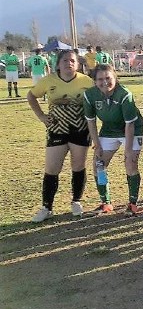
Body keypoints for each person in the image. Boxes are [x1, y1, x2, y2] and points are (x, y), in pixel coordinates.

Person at [27, 49, 93, 222]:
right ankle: (47, 207)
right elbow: (31, 95)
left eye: (72, 60)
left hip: (80, 129)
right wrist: (41, 116)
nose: (68, 63)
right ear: (58, 63)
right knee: (52, 169)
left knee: (78, 166)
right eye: (65, 60)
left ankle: (76, 201)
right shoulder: (48, 81)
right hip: (57, 130)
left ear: (77, 64)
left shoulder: (87, 81)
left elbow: (98, 98)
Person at [84, 64, 143, 216]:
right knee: (99, 164)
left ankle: (133, 203)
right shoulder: (89, 95)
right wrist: (97, 144)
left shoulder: (124, 94)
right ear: (94, 81)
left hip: (132, 130)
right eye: (100, 79)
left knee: (130, 163)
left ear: (115, 78)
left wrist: (128, 149)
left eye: (108, 78)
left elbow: (130, 124)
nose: (104, 82)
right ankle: (106, 202)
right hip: (109, 130)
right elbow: (91, 121)